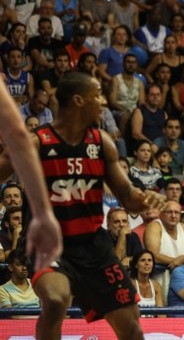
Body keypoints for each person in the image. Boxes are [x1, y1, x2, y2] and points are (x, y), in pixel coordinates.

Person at [0, 73, 165, 339]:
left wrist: (146, 197)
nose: (102, 101)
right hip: (49, 244)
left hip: (94, 246)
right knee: (56, 300)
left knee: (132, 327)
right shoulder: (37, 142)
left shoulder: (101, 142)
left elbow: (127, 195)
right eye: (97, 94)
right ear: (78, 100)